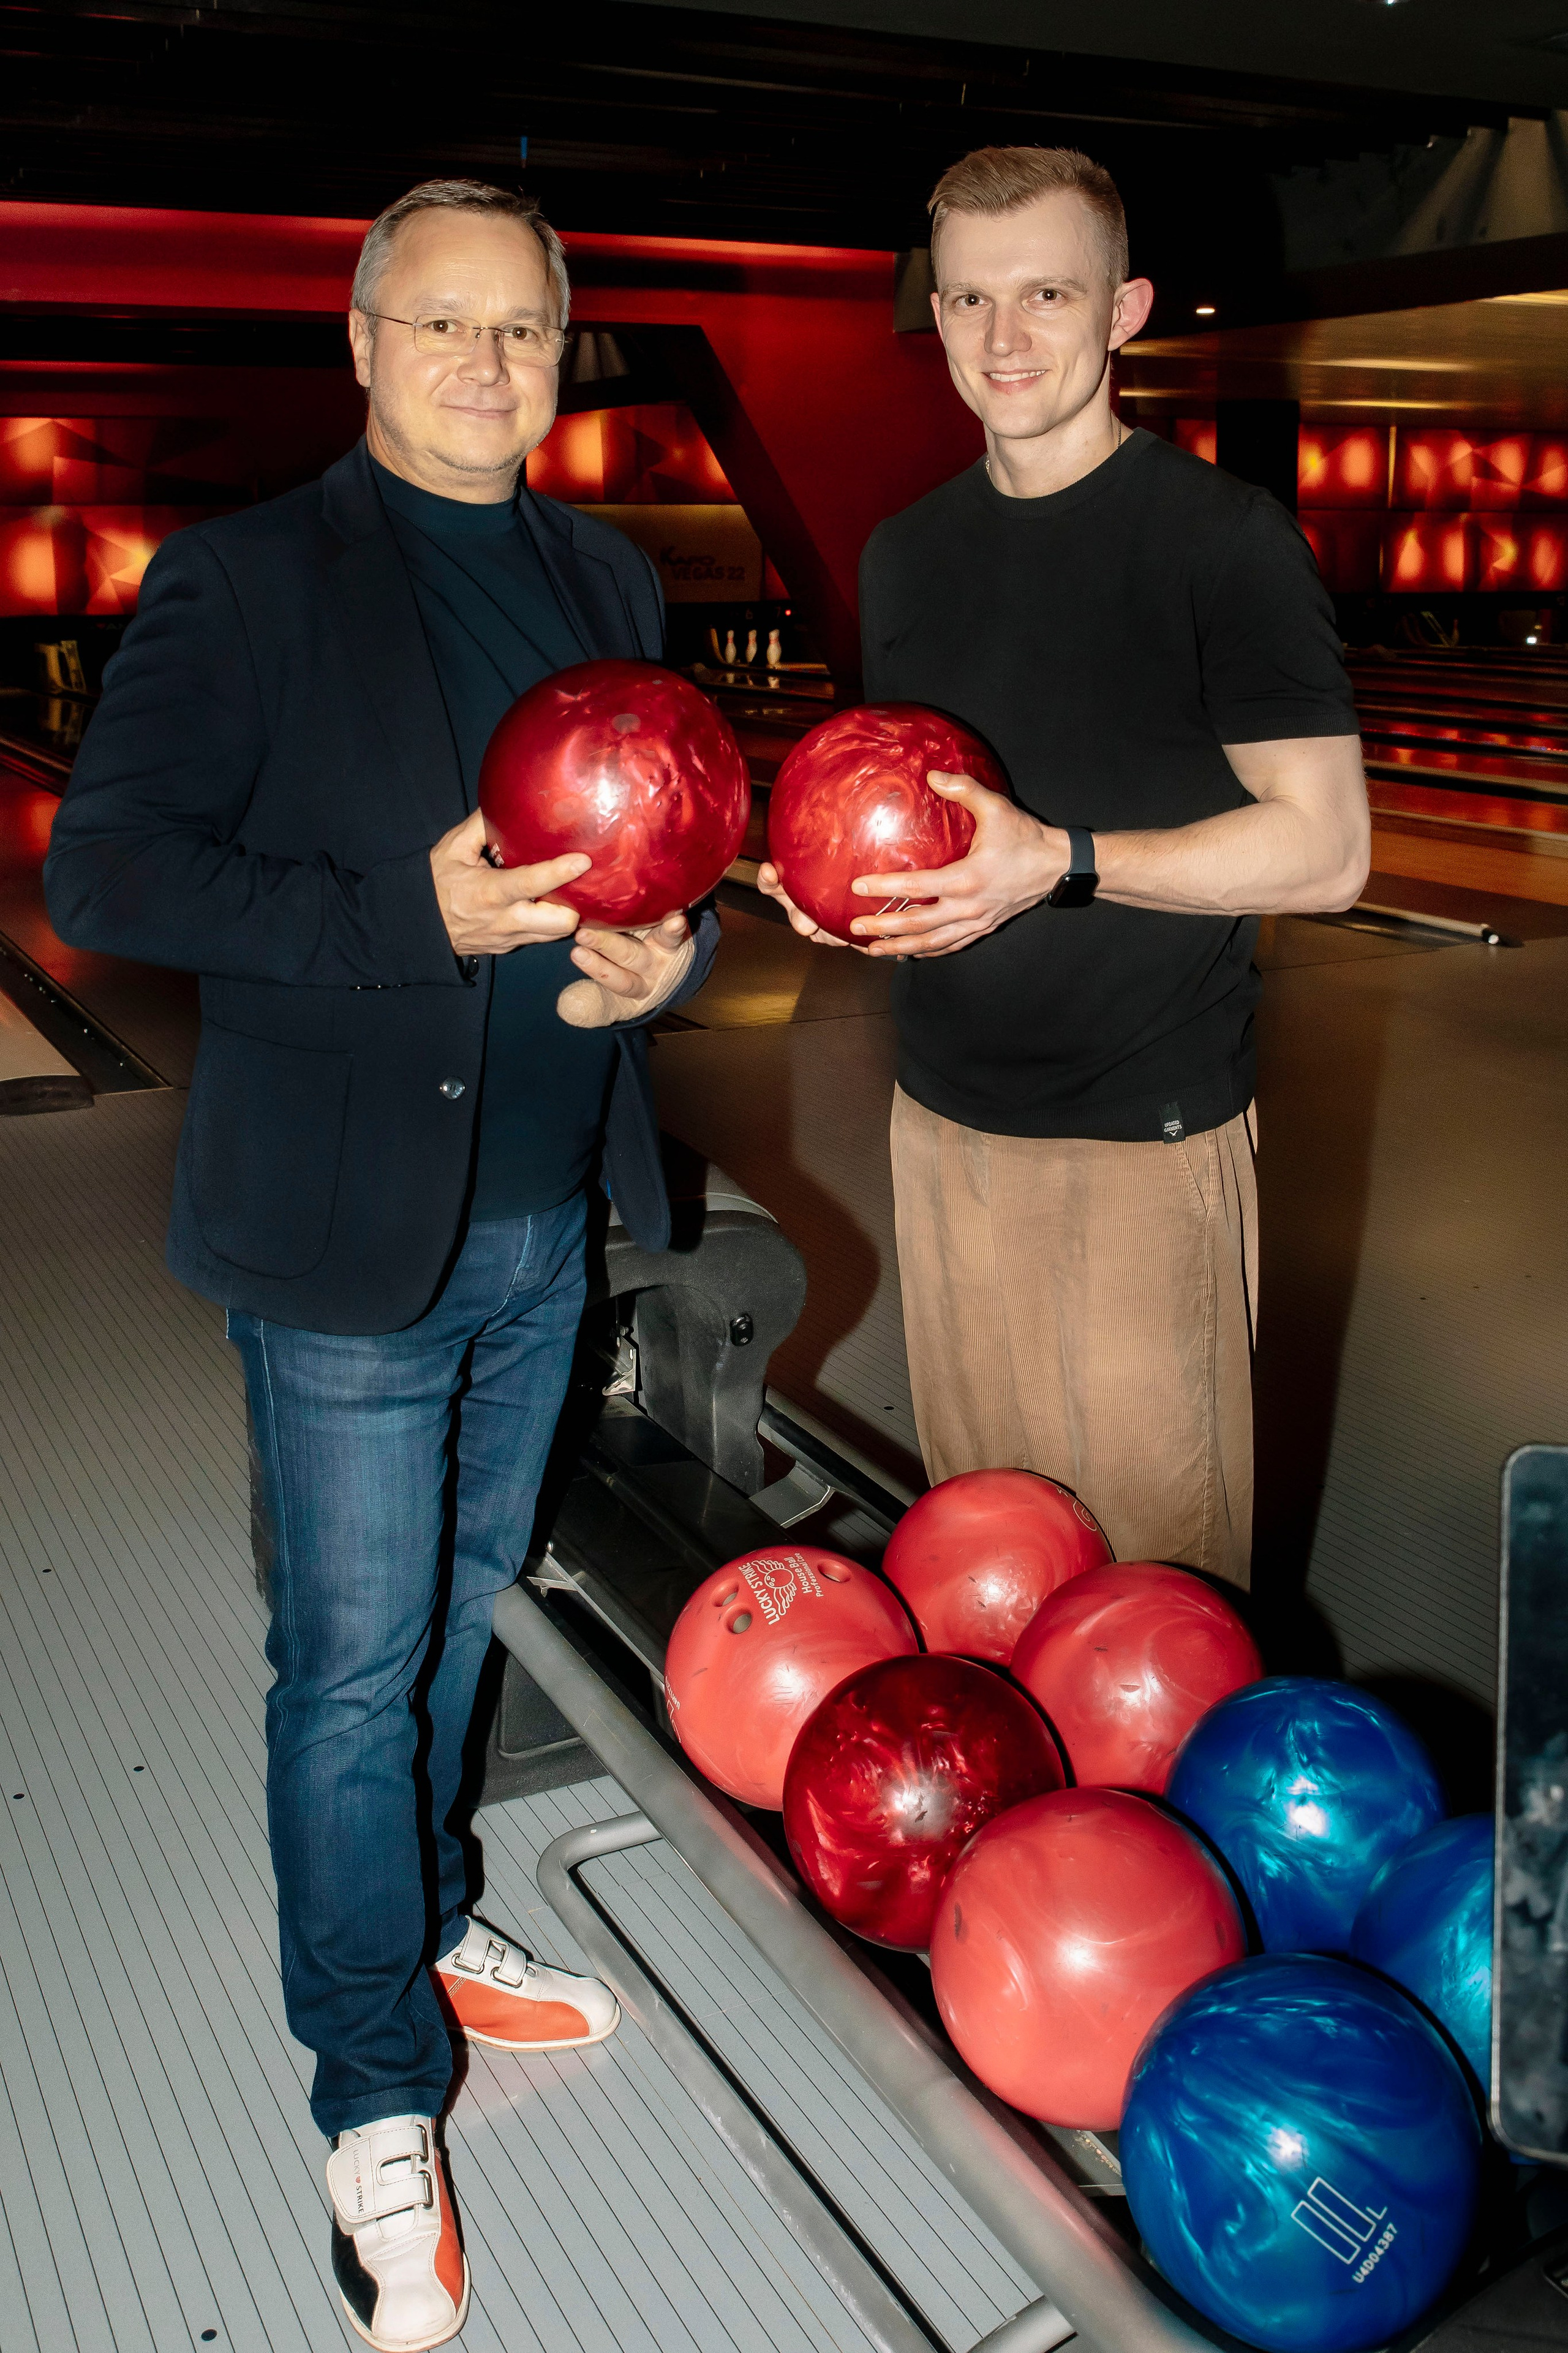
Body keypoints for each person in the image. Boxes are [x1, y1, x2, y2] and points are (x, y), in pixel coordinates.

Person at [45, 179, 720, 2353]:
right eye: (441, 328)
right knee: (348, 1668)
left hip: (543, 1210)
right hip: (345, 1226)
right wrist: (392, 923)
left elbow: (669, 837)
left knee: (454, 1618)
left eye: (523, 330)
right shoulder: (247, 581)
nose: (486, 367)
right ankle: (370, 2092)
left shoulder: (606, 572)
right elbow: (110, 866)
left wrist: (662, 962)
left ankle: (426, 1917)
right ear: (358, 340)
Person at [761, 145, 1369, 1590]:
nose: (1002, 339)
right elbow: (903, 802)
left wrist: (1065, 864)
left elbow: (1327, 847)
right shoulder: (906, 552)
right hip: (942, 1126)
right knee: (988, 1557)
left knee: (1154, 1597)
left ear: (1124, 308)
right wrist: (842, 892)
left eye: (1045, 293)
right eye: (968, 300)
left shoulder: (1221, 543)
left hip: (1138, 1138)